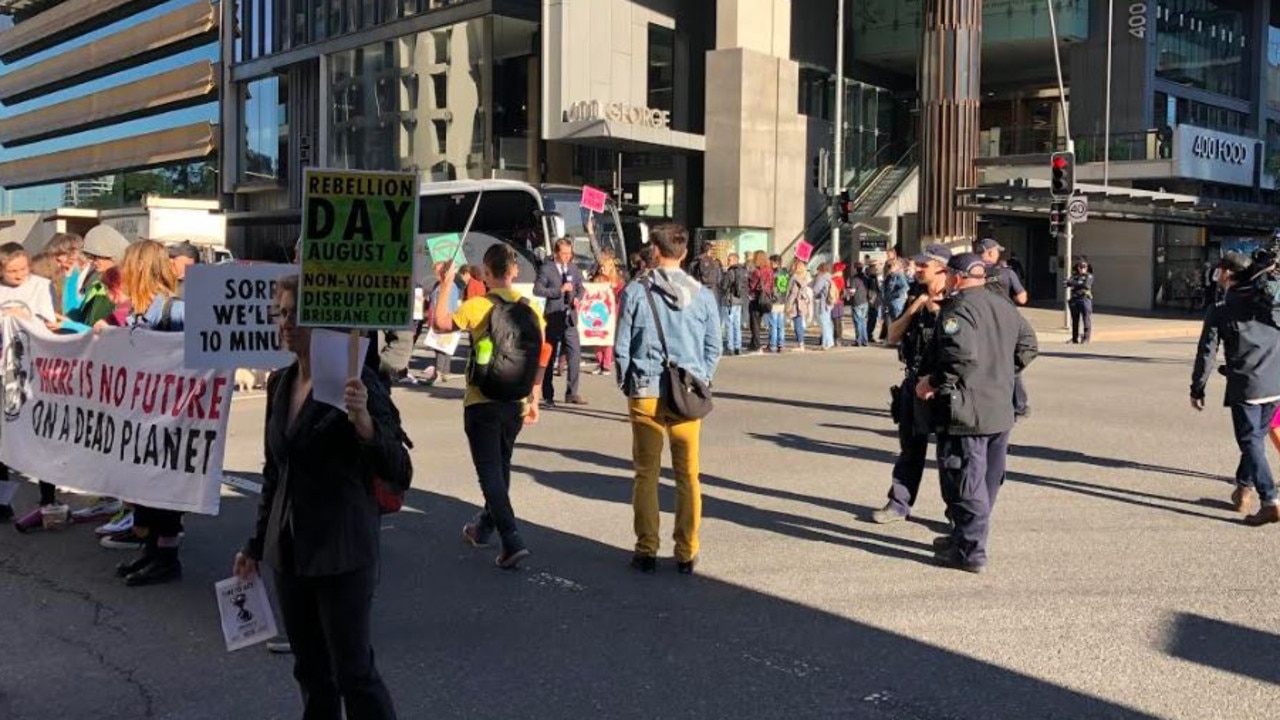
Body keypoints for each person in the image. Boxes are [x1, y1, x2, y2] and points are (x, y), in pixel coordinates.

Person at [234, 274, 410, 719]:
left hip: (342, 549)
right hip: (290, 552)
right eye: (281, 314)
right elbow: (275, 472)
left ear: (323, 321)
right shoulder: (280, 382)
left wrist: (365, 423)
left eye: (296, 314)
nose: (286, 324)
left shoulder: (358, 384)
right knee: (310, 670)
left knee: (354, 673)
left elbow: (399, 469)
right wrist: (256, 544)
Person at [916, 254, 1038, 573]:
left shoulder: (958, 308)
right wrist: (1001, 372)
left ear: (957, 276)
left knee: (965, 481)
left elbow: (960, 358)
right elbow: (1029, 346)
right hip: (999, 408)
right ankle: (962, 536)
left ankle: (970, 551)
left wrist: (933, 381)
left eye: (949, 273)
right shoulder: (1003, 305)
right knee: (986, 480)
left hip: (969, 411)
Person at [432, 244, 550, 567]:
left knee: (490, 473)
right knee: (501, 465)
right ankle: (484, 527)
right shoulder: (531, 308)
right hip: (515, 400)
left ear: (485, 273)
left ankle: (511, 539)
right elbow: (545, 349)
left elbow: (440, 324)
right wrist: (535, 393)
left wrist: (446, 284)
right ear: (514, 272)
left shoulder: (478, 306)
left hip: (482, 399)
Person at [615, 224, 721, 574]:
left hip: (645, 389)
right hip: (686, 390)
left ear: (655, 252)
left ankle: (646, 548)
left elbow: (621, 348)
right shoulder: (703, 295)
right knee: (688, 474)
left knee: (645, 472)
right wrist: (700, 377)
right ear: (685, 253)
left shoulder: (635, 291)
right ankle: (686, 550)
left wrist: (626, 382)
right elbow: (713, 347)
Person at [110, 240, 188, 585]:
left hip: (169, 416)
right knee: (145, 488)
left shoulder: (175, 311)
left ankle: (167, 557)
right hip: (142, 415)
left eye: (128, 266)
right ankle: (152, 551)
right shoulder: (141, 311)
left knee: (164, 490)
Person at [1190, 252, 1280, 526]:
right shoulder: (1268, 304)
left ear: (1228, 273)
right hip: (1276, 383)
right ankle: (1243, 490)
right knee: (1255, 437)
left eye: (1220, 269)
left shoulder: (1221, 308)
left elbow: (1207, 352)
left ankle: (1270, 500)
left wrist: (1197, 388)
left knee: (1250, 440)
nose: (1217, 274)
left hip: (1247, 386)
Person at [872, 245, 951, 524]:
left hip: (943, 386)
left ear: (941, 268)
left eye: (923, 266)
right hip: (912, 383)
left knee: (949, 455)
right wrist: (913, 310)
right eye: (916, 266)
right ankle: (899, 503)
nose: (916, 270)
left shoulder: (956, 300)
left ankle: (955, 512)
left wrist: (937, 312)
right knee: (910, 449)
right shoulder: (915, 297)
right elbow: (891, 336)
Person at [0, 243, 64, 531]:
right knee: (3, 438)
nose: (19, 275)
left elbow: (49, 324)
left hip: (34, 372)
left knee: (40, 435)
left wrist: (22, 318)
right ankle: (2, 504)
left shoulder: (40, 286)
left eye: (23, 269)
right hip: (4, 373)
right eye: (12, 271)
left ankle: (48, 499)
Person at [975, 238, 1031, 418]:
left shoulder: (973, 271)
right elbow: (1022, 298)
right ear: (991, 252)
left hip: (979, 323)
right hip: (1005, 323)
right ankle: (1018, 405)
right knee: (1010, 362)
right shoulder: (1006, 273)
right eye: (997, 251)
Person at [535, 238, 587, 406]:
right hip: (553, 316)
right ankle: (548, 394)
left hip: (570, 317)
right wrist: (559, 291)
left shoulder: (573, 268)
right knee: (549, 356)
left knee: (574, 354)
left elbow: (581, 287)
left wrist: (578, 298)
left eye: (569, 253)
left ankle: (572, 392)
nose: (567, 257)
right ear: (556, 253)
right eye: (564, 253)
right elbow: (537, 290)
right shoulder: (547, 269)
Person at [593, 252, 625, 373]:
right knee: (596, 337)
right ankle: (599, 361)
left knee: (607, 339)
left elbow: (621, 296)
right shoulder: (597, 279)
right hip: (598, 312)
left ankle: (606, 364)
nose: (602, 269)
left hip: (611, 313)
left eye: (604, 266)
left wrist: (613, 288)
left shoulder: (618, 281)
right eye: (600, 267)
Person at [719, 252, 748, 356]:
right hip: (739, 300)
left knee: (729, 324)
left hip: (730, 300)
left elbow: (724, 286)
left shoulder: (731, 272)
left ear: (735, 260)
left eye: (729, 260)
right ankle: (738, 347)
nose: (728, 262)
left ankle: (730, 347)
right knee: (737, 324)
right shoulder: (743, 271)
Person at [747, 251, 774, 352]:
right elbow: (771, 284)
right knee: (758, 321)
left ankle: (757, 345)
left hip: (756, 298)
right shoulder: (770, 270)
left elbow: (752, 285)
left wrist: (749, 281)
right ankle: (753, 343)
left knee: (754, 323)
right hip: (766, 298)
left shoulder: (756, 271)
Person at [784, 260, 813, 351]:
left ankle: (800, 344)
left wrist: (788, 305)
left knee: (797, 324)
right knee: (799, 323)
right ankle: (801, 343)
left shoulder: (794, 278)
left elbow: (792, 293)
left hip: (794, 304)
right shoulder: (804, 278)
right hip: (801, 304)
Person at [1065, 259, 1094, 344]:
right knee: (1075, 320)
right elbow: (1066, 283)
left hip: (1084, 299)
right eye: (1080, 267)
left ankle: (1086, 338)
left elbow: (1086, 285)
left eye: (1084, 267)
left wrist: (1074, 283)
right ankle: (1074, 338)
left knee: (1086, 319)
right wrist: (1077, 283)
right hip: (1075, 299)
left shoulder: (1089, 276)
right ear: (1078, 267)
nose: (1082, 269)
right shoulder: (1075, 276)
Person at [811, 262, 836, 350]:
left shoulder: (822, 278)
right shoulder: (829, 277)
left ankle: (826, 343)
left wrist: (815, 280)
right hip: (828, 303)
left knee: (824, 323)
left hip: (822, 303)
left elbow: (815, 289)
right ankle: (830, 341)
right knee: (827, 322)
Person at [846, 264, 871, 347]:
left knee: (858, 322)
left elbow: (852, 291)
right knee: (863, 322)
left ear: (855, 269)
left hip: (857, 302)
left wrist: (847, 292)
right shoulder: (866, 278)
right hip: (865, 301)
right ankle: (865, 340)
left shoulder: (854, 279)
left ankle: (858, 340)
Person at [831, 262, 847, 346]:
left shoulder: (833, 279)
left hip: (834, 301)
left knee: (835, 320)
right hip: (840, 301)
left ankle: (836, 338)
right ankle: (839, 338)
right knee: (838, 320)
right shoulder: (841, 279)